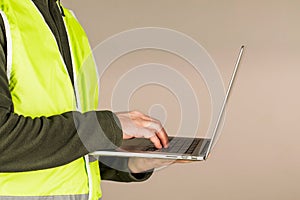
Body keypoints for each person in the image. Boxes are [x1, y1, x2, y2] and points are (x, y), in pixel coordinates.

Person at [0, 0, 174, 199]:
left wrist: (128, 163)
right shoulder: (5, 14)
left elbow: (67, 147)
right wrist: (107, 127)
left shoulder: (66, 21)